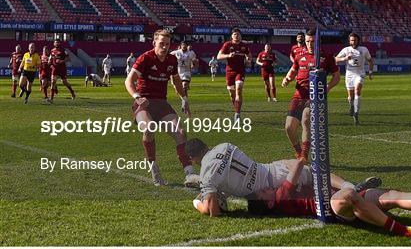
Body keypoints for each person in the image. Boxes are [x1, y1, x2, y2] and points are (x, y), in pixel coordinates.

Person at [247, 158, 411, 240]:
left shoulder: (278, 196)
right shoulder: (281, 198)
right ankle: (406, 231)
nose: (263, 188)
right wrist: (300, 155)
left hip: (336, 196)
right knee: (347, 196)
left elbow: (315, 173)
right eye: (261, 193)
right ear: (268, 203)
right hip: (330, 206)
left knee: (388, 197)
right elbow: (297, 166)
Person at [185, 138, 377, 217]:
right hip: (271, 168)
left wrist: (198, 201)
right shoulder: (224, 145)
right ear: (205, 146)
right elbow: (229, 173)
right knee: (313, 175)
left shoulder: (207, 173)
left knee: (312, 183)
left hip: (271, 184)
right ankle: (349, 186)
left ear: (193, 159)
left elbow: (213, 212)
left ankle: (354, 192)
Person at [124, 29, 199, 187]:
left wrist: (184, 98)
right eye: (161, 44)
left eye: (167, 44)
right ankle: (154, 167)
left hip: (162, 104)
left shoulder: (172, 60)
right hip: (143, 103)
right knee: (149, 128)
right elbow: (129, 81)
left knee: (180, 133)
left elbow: (176, 81)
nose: (164, 47)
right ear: (154, 43)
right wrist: (137, 97)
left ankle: (190, 174)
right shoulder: (145, 58)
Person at [282, 29, 340, 160]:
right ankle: (298, 151)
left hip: (315, 95)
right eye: (307, 41)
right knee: (289, 127)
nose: (309, 43)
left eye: (312, 41)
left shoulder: (327, 56)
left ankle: (304, 154)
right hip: (299, 94)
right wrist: (287, 79)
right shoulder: (299, 54)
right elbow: (293, 70)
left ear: (318, 41)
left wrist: (328, 87)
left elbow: (336, 76)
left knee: (306, 119)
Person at [335, 33, 374, 125]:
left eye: (355, 40)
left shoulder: (364, 49)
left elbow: (370, 61)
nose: (353, 42)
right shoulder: (346, 50)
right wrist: (344, 58)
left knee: (357, 91)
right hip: (349, 75)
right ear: (349, 41)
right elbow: (335, 59)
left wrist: (371, 72)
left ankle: (356, 112)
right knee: (350, 97)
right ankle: (352, 106)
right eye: (352, 40)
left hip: (359, 74)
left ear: (358, 41)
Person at [217, 28, 252, 122]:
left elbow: (249, 55)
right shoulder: (227, 44)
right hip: (230, 72)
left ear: (241, 36)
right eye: (235, 34)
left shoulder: (244, 46)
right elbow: (218, 56)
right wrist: (228, 55)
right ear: (232, 36)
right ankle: (236, 109)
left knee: (239, 89)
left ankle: (237, 114)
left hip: (240, 71)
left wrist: (248, 60)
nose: (237, 36)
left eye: (238, 34)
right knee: (232, 95)